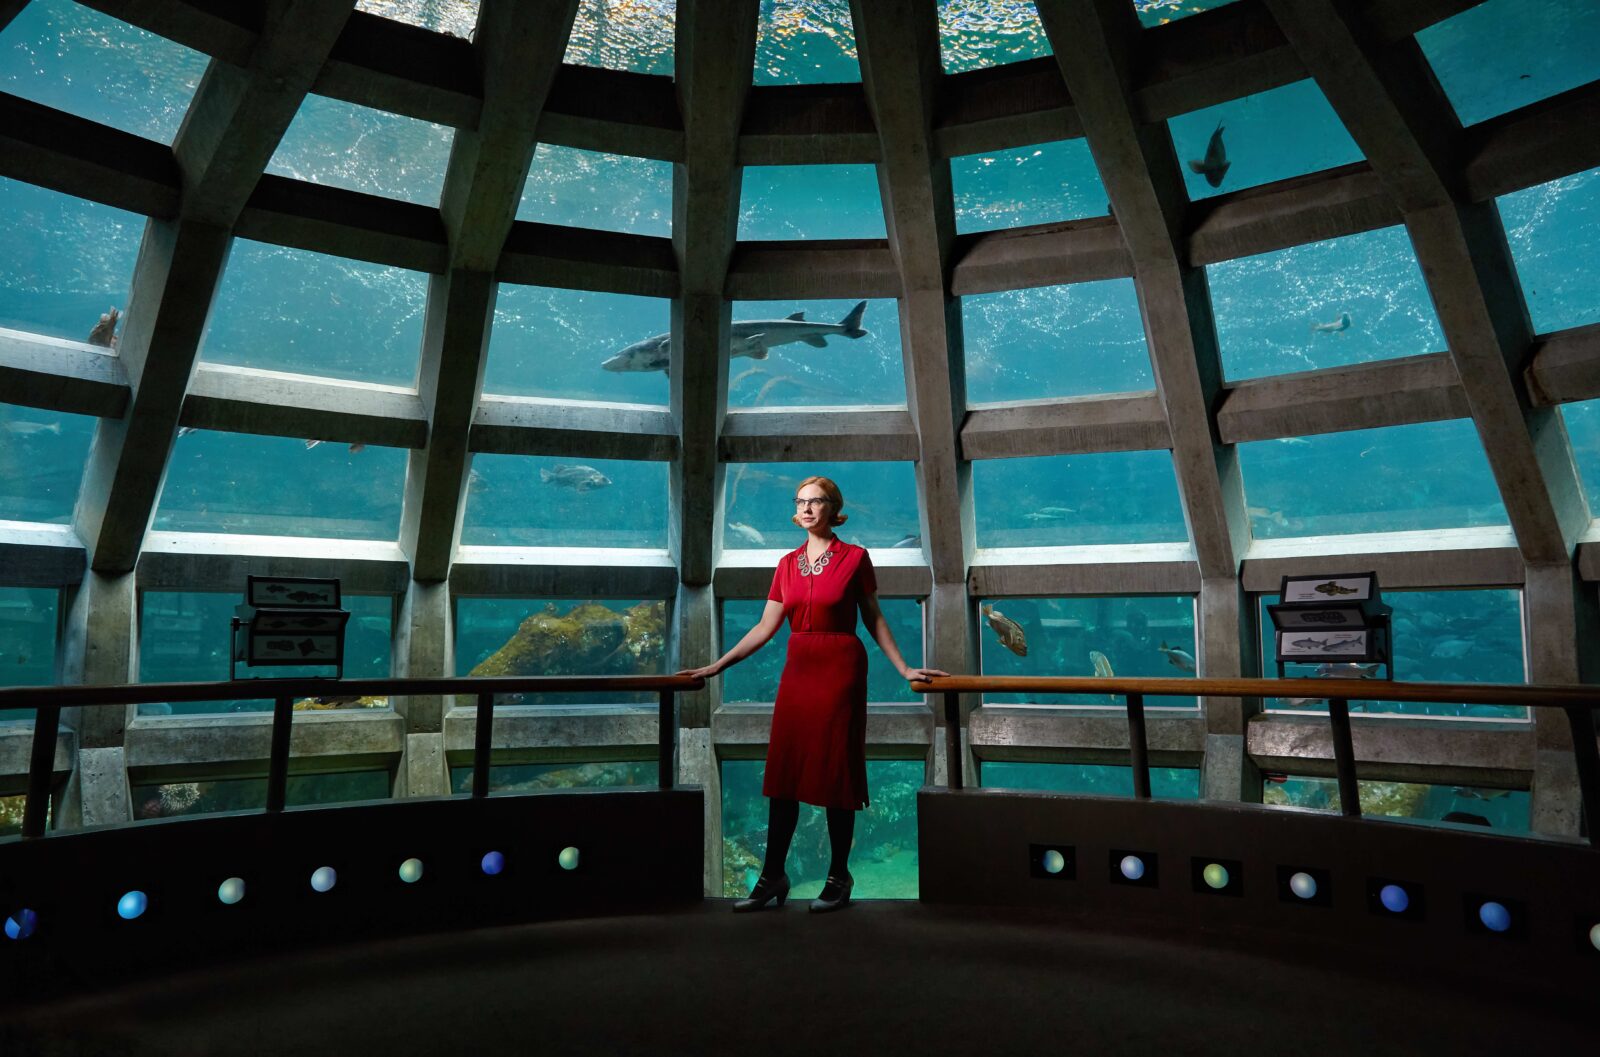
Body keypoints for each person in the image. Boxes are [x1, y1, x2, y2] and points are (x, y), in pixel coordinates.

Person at [679, 475, 947, 913]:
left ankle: (839, 877)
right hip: (798, 670)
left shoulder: (856, 558)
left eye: (816, 501)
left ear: (833, 507)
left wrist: (904, 669)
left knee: (836, 773)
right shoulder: (786, 564)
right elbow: (766, 628)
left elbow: (875, 619)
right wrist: (716, 665)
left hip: (840, 669)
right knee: (784, 774)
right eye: (800, 501)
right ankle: (771, 877)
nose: (806, 509)